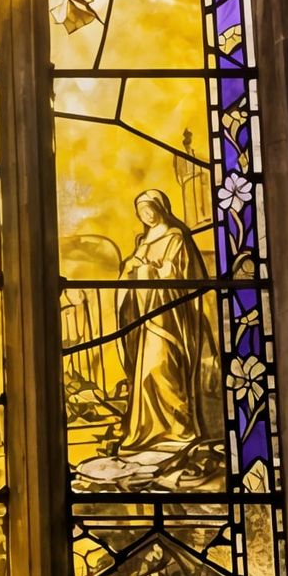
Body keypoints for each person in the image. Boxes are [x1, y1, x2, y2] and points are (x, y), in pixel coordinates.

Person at [114, 188, 219, 455]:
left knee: (163, 370)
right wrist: (132, 267)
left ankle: (179, 430)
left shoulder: (176, 237)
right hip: (145, 320)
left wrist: (146, 268)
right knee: (146, 376)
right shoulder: (143, 241)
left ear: (160, 209)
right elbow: (128, 276)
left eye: (149, 209)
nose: (146, 216)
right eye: (141, 212)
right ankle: (148, 432)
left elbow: (177, 273)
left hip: (168, 319)